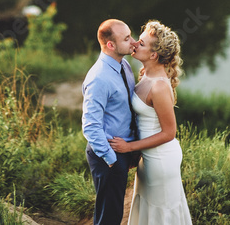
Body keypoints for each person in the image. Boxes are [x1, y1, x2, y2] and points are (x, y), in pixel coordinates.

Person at [110, 20, 193, 225]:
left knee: (161, 213)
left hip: (161, 160)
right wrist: (135, 153)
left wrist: (129, 147)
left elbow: (169, 133)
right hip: (146, 157)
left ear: (154, 55)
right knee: (148, 209)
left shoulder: (159, 87)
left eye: (142, 43)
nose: (136, 44)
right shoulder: (145, 75)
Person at [82, 19, 139, 225]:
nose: (133, 42)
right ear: (110, 45)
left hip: (123, 150)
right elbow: (90, 125)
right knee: (109, 217)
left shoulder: (123, 65)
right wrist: (112, 159)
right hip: (107, 154)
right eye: (126, 38)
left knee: (113, 213)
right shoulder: (99, 78)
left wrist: (132, 148)